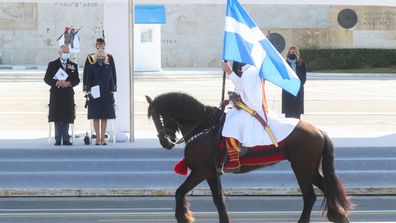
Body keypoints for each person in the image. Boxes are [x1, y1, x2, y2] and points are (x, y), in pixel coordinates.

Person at [44, 45, 80, 146]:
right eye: (64, 52)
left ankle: (66, 138)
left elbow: (76, 80)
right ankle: (58, 138)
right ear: (60, 53)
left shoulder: (73, 65)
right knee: (57, 116)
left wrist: (69, 83)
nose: (66, 54)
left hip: (68, 94)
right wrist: (57, 82)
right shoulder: (52, 64)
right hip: (56, 94)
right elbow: (47, 78)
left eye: (67, 52)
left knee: (66, 116)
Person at [84, 49, 116, 145]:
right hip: (95, 96)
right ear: (96, 58)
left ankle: (103, 138)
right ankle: (97, 138)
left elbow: (111, 82)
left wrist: (112, 93)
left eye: (102, 57)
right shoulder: (91, 67)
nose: (100, 58)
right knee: (96, 117)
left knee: (104, 118)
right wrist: (88, 92)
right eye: (99, 57)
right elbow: (88, 81)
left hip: (106, 95)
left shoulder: (108, 67)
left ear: (105, 58)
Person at [282, 46, 306, 119]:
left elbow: (303, 77)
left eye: (294, 52)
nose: (292, 54)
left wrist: (298, 85)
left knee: (297, 112)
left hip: (297, 90)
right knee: (288, 112)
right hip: (287, 89)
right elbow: (282, 76)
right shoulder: (285, 63)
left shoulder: (301, 63)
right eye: (290, 52)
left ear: (297, 53)